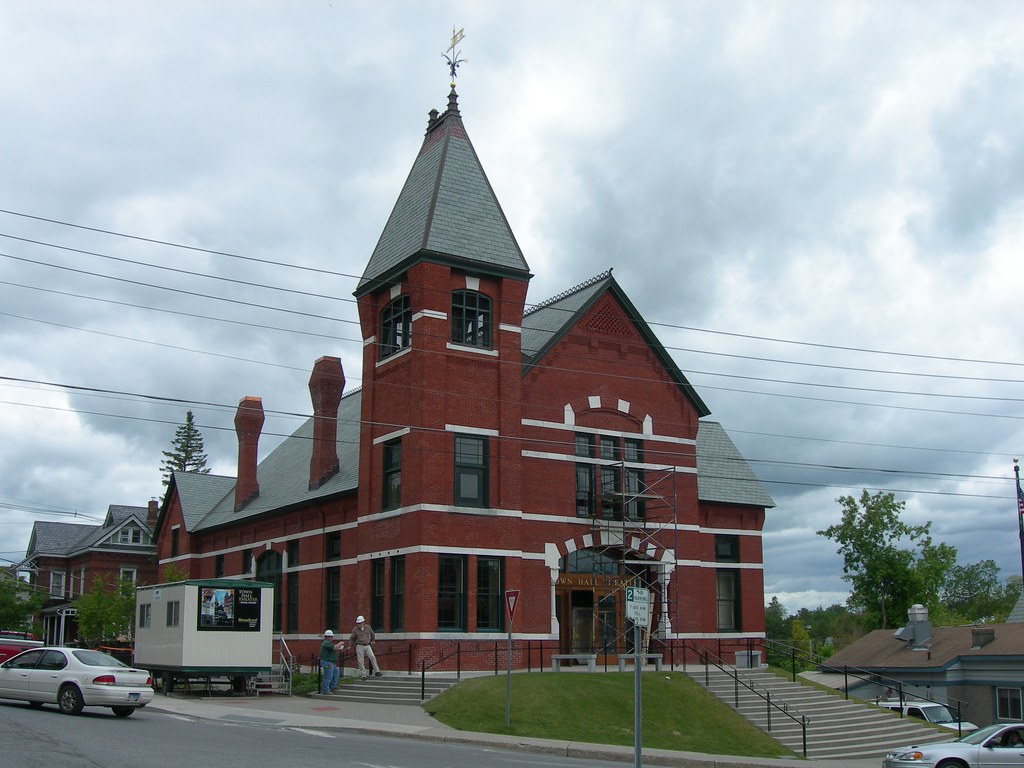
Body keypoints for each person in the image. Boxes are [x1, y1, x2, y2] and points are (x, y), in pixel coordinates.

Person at [349, 615, 382, 680]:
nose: (359, 624)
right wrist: (350, 645)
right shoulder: (355, 629)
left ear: (363, 622)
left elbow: (372, 634)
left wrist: (373, 640)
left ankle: (377, 671)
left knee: (372, 657)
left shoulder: (368, 627)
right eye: (358, 623)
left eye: (360, 623)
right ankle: (363, 675)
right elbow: (351, 638)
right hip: (359, 645)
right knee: (361, 661)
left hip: (367, 645)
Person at [319, 629, 343, 694]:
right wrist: (340, 643)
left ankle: (334, 686)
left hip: (331, 662)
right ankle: (325, 690)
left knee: (335, 673)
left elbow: (334, 648)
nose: (332, 638)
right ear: (327, 637)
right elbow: (335, 647)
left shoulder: (329, 643)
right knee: (328, 675)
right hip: (327, 662)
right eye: (331, 636)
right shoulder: (326, 643)